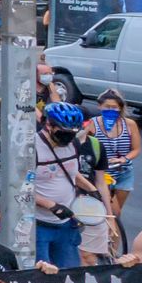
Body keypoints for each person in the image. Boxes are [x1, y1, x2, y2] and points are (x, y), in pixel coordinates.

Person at [33, 103, 94, 269]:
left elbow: (71, 172)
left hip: (66, 224)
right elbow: (19, 189)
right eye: (63, 133)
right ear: (48, 125)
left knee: (70, 273)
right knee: (41, 274)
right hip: (39, 225)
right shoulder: (32, 150)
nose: (67, 138)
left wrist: (92, 189)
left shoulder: (73, 145)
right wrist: (50, 205)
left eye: (72, 133)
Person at [88, 89, 139, 217]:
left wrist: (124, 159)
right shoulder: (92, 124)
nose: (111, 110)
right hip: (102, 174)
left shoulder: (129, 124)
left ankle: (108, 234)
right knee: (112, 212)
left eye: (114, 107)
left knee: (116, 214)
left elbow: (136, 149)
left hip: (124, 172)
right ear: (100, 106)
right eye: (107, 107)